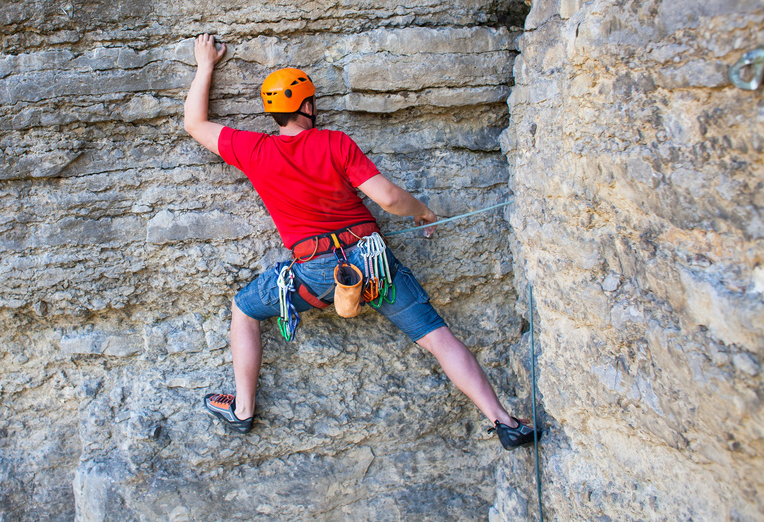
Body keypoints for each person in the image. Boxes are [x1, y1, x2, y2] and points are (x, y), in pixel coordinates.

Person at [183, 33, 540, 450]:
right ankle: (504, 421)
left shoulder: (254, 149)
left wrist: (205, 65)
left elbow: (194, 123)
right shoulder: (333, 142)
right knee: (437, 337)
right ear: (306, 106)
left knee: (244, 309)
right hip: (373, 263)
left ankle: (243, 410)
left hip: (315, 273)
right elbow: (388, 198)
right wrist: (423, 211)